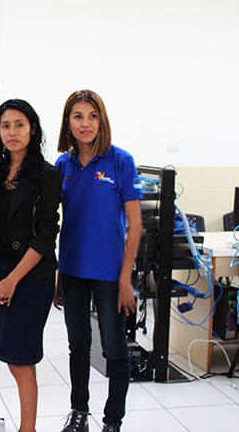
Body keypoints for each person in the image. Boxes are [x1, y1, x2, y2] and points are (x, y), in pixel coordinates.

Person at [54, 90, 142, 432]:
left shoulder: (121, 161)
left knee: (114, 348)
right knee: (78, 346)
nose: (85, 123)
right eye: (78, 116)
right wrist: (60, 276)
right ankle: (79, 414)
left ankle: (113, 421)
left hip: (110, 275)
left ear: (101, 120)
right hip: (73, 271)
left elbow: (135, 226)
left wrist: (125, 280)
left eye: (92, 115)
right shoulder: (63, 166)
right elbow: (63, 224)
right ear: (69, 122)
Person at [0, 99, 61, 432]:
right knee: (13, 358)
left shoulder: (47, 175)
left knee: (21, 360)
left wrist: (12, 280)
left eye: (19, 125)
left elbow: (45, 237)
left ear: (33, 129)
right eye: (5, 125)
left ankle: (28, 429)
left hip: (31, 277)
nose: (12, 132)